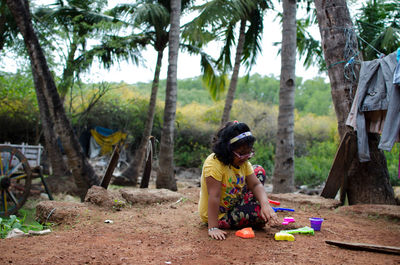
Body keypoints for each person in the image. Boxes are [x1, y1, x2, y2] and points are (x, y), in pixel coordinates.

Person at [198, 121, 279, 240]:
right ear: (227, 149)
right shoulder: (213, 165)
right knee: (259, 214)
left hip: (235, 202)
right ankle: (251, 211)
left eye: (248, 153)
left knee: (258, 171)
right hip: (220, 215)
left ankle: (258, 207)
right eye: (241, 154)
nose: (245, 158)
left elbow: (256, 184)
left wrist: (265, 204)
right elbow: (214, 196)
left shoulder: (243, 163)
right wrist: (213, 227)